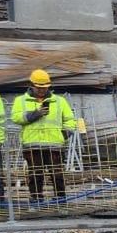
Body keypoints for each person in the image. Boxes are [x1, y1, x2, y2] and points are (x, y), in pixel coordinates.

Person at [11, 69, 77, 204]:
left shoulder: (59, 101)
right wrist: (35, 114)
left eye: (45, 87)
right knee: (35, 175)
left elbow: (70, 120)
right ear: (31, 85)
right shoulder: (21, 101)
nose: (42, 90)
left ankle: (60, 198)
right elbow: (16, 118)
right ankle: (36, 198)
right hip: (32, 145)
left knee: (57, 174)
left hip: (54, 144)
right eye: (39, 87)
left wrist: (64, 134)